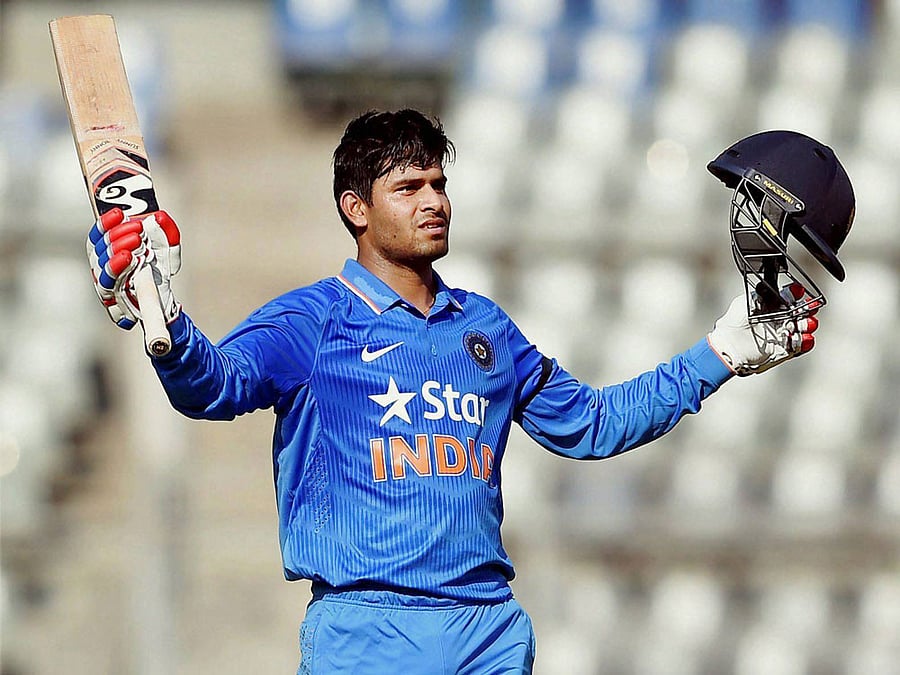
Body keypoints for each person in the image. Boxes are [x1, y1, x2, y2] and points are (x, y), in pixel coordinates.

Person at [85, 110, 849, 674]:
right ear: (356, 208)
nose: (433, 201)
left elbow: (592, 424)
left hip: (488, 630)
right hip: (367, 630)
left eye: (440, 184)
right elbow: (212, 387)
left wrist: (721, 352)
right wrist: (162, 315)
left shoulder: (484, 328)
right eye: (408, 186)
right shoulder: (312, 321)